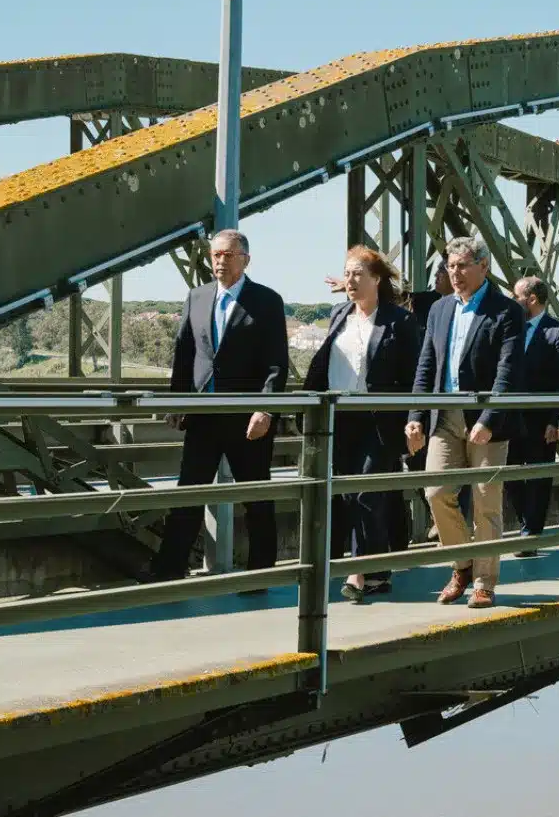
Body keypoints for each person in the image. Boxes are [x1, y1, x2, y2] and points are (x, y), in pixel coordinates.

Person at [150, 229, 290, 581]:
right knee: (188, 495)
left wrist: (265, 409)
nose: (220, 262)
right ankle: (168, 571)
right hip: (203, 417)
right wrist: (177, 400)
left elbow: (277, 363)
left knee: (256, 498)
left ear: (245, 259)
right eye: (215, 255)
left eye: (227, 255)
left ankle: (261, 575)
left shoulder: (267, 301)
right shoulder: (197, 297)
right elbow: (184, 354)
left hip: (246, 418)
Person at [407, 237, 524, 608]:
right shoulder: (440, 309)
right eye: (450, 266)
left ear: (483, 267)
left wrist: (489, 417)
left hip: (485, 419)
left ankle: (484, 582)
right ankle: (462, 565)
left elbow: (509, 370)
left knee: (486, 501)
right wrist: (415, 416)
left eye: (462, 266)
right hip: (444, 415)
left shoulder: (505, 311)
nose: (453, 273)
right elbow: (426, 365)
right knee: (436, 492)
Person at [303, 247, 421, 603]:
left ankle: (358, 572)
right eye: (347, 274)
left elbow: (416, 375)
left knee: (367, 493)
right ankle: (378, 571)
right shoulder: (339, 313)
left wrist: (415, 420)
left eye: (358, 274)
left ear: (377, 280)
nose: (351, 281)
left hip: (379, 419)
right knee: (344, 493)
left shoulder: (398, 321)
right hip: (339, 418)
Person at [507, 275, 559, 556]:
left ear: (531, 299)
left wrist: (554, 420)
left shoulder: (558, 332)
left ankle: (531, 533)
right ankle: (525, 524)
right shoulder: (510, 328)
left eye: (515, 295)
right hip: (511, 417)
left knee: (538, 476)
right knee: (509, 473)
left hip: (540, 419)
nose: (511, 300)